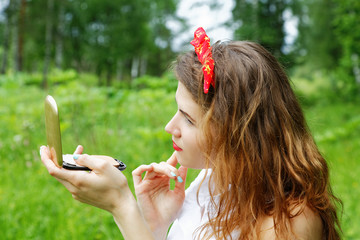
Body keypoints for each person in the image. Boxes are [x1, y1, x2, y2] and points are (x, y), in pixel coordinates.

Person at [40, 27, 341, 239]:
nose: (170, 128)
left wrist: (121, 205)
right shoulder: (213, 179)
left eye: (188, 119)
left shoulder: (291, 222)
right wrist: (156, 226)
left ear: (239, 132)